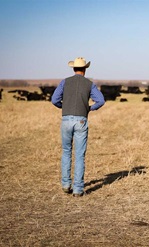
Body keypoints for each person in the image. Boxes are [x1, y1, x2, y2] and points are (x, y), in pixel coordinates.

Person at [52, 57, 105, 197]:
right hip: (81, 120)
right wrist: (89, 108)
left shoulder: (65, 82)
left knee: (66, 151)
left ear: (73, 68)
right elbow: (101, 101)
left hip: (66, 119)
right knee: (80, 155)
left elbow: (54, 100)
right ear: (85, 69)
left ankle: (65, 184)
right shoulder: (89, 84)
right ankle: (78, 189)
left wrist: (64, 107)